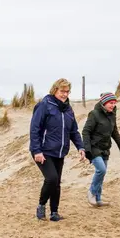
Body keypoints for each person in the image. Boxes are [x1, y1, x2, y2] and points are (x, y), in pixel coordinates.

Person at [29, 78, 85, 221]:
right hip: (43, 151)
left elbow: (73, 131)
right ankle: (41, 205)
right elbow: (34, 129)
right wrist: (37, 151)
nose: (65, 94)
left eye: (67, 92)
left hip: (60, 151)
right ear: (55, 90)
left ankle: (54, 212)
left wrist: (80, 147)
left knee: (57, 182)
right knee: (51, 178)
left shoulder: (68, 109)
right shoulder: (44, 105)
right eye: (62, 91)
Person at [82, 92, 120, 207]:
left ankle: (98, 198)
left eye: (114, 103)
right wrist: (87, 150)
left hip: (105, 149)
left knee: (102, 174)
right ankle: (91, 192)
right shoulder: (94, 114)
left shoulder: (112, 115)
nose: (113, 105)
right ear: (104, 103)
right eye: (110, 103)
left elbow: (115, 133)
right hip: (94, 148)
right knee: (101, 170)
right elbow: (86, 131)